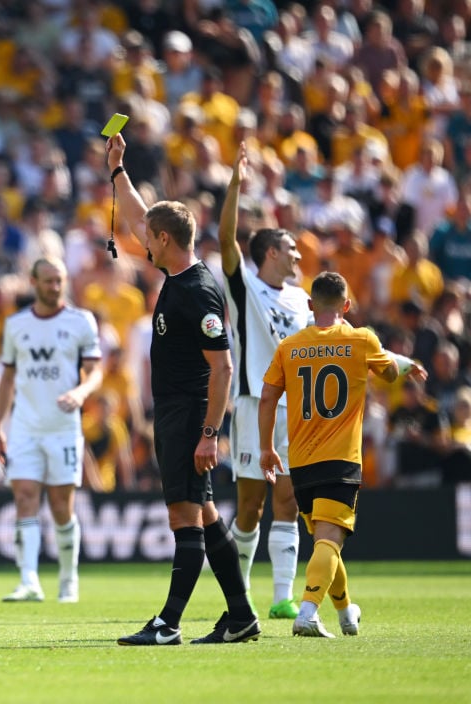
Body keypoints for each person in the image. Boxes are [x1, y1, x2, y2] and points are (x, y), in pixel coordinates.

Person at [107, 133, 261, 646]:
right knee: (207, 514)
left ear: (165, 241)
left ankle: (168, 624)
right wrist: (118, 172)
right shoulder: (177, 269)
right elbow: (136, 217)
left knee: (184, 516)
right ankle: (241, 616)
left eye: (148, 238)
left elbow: (223, 369)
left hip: (191, 412)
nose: (141, 242)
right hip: (181, 411)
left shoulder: (197, 293)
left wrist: (209, 433)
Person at [258, 271, 428, 637]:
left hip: (300, 461)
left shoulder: (289, 347)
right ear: (347, 305)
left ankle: (346, 612)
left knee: (325, 540)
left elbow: (268, 396)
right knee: (328, 542)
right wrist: (406, 364)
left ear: (309, 305)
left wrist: (266, 447)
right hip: (340, 459)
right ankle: (306, 612)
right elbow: (386, 371)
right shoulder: (361, 339)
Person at [218, 144, 312, 620]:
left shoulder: (300, 299)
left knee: (289, 498)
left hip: (295, 410)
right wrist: (235, 185)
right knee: (251, 505)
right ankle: (240, 594)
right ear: (271, 252)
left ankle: (282, 595)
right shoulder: (246, 287)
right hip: (256, 403)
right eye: (292, 247)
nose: (299, 254)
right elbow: (225, 239)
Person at [0, 257, 102, 604]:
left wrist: (80, 392)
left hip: (63, 427)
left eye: (60, 280)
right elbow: (7, 378)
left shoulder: (81, 321)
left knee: (60, 505)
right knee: (24, 497)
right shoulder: (17, 325)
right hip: (25, 426)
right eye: (49, 280)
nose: (55, 287)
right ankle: (29, 581)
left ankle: (69, 579)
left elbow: (95, 370)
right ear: (34, 282)